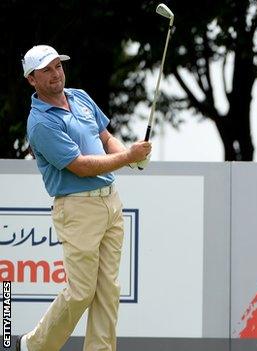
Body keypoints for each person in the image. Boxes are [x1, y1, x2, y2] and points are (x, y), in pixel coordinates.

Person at [17, 44, 151, 351]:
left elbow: (105, 138)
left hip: (110, 202)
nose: (55, 75)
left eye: (58, 67)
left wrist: (131, 158)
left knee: (108, 291)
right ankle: (35, 346)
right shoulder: (40, 123)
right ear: (32, 80)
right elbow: (80, 166)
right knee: (81, 292)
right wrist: (128, 156)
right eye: (46, 70)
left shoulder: (79, 97)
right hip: (77, 208)